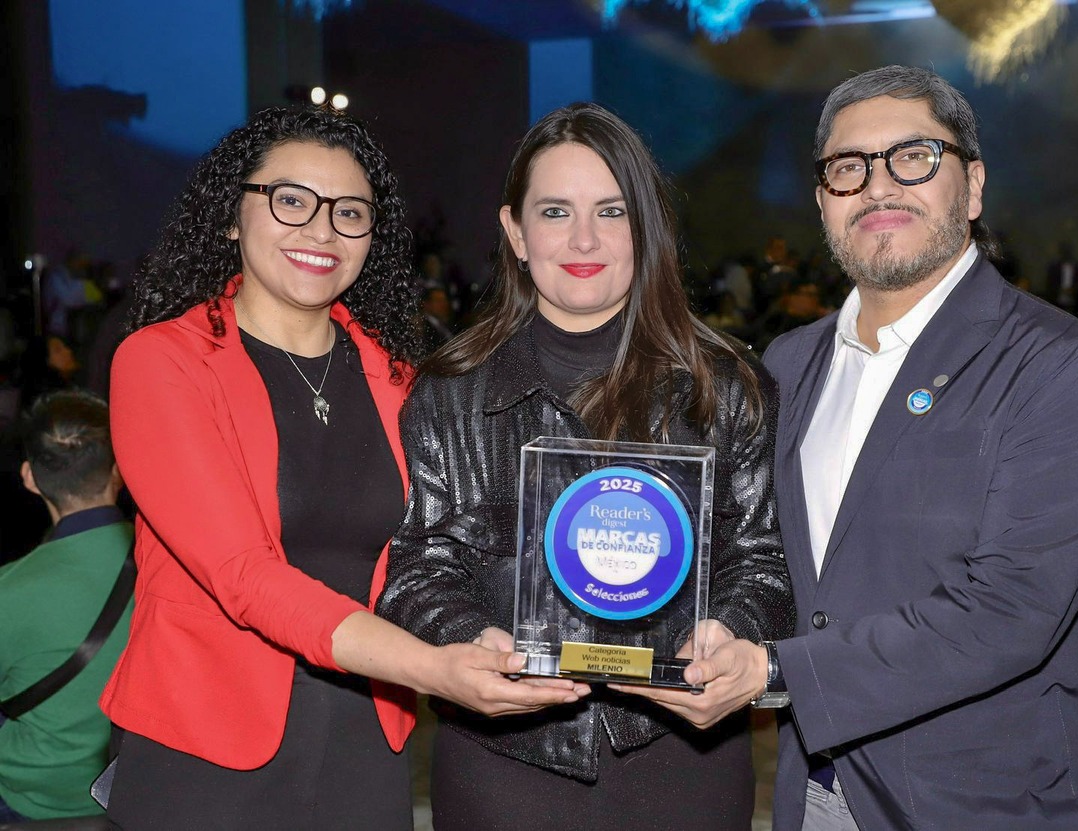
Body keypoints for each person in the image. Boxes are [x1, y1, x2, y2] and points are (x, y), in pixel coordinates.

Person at [657, 64, 1078, 829]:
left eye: (913, 156)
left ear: (972, 186)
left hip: (988, 802)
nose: (878, 186)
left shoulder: (1056, 367)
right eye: (848, 168)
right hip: (819, 786)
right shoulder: (788, 363)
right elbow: (769, 558)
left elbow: (1009, 611)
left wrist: (776, 669)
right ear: (823, 201)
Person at [99, 106, 583, 830]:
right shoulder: (163, 362)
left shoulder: (400, 377)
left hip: (365, 738)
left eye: (349, 212)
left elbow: (440, 550)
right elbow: (242, 573)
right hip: (204, 743)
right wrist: (432, 667)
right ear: (231, 215)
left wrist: (475, 629)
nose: (321, 231)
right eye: (291, 201)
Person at [379, 102, 794, 831]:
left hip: (681, 758)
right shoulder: (449, 391)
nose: (583, 239)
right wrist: (470, 639)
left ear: (646, 226)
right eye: (555, 211)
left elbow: (765, 560)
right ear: (516, 232)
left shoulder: (728, 385)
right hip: (505, 762)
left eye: (611, 211)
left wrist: (729, 634)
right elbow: (417, 567)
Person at [0, 390, 131, 822]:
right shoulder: (171, 561)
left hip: (31, 798)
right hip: (137, 786)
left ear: (29, 477)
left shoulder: (9, 590)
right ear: (119, 470)